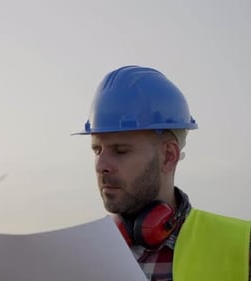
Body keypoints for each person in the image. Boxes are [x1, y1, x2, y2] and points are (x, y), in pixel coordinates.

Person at [74, 65, 250, 281]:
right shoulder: (80, 256)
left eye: (120, 151)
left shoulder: (243, 248)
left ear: (168, 156)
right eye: (97, 150)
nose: (101, 165)